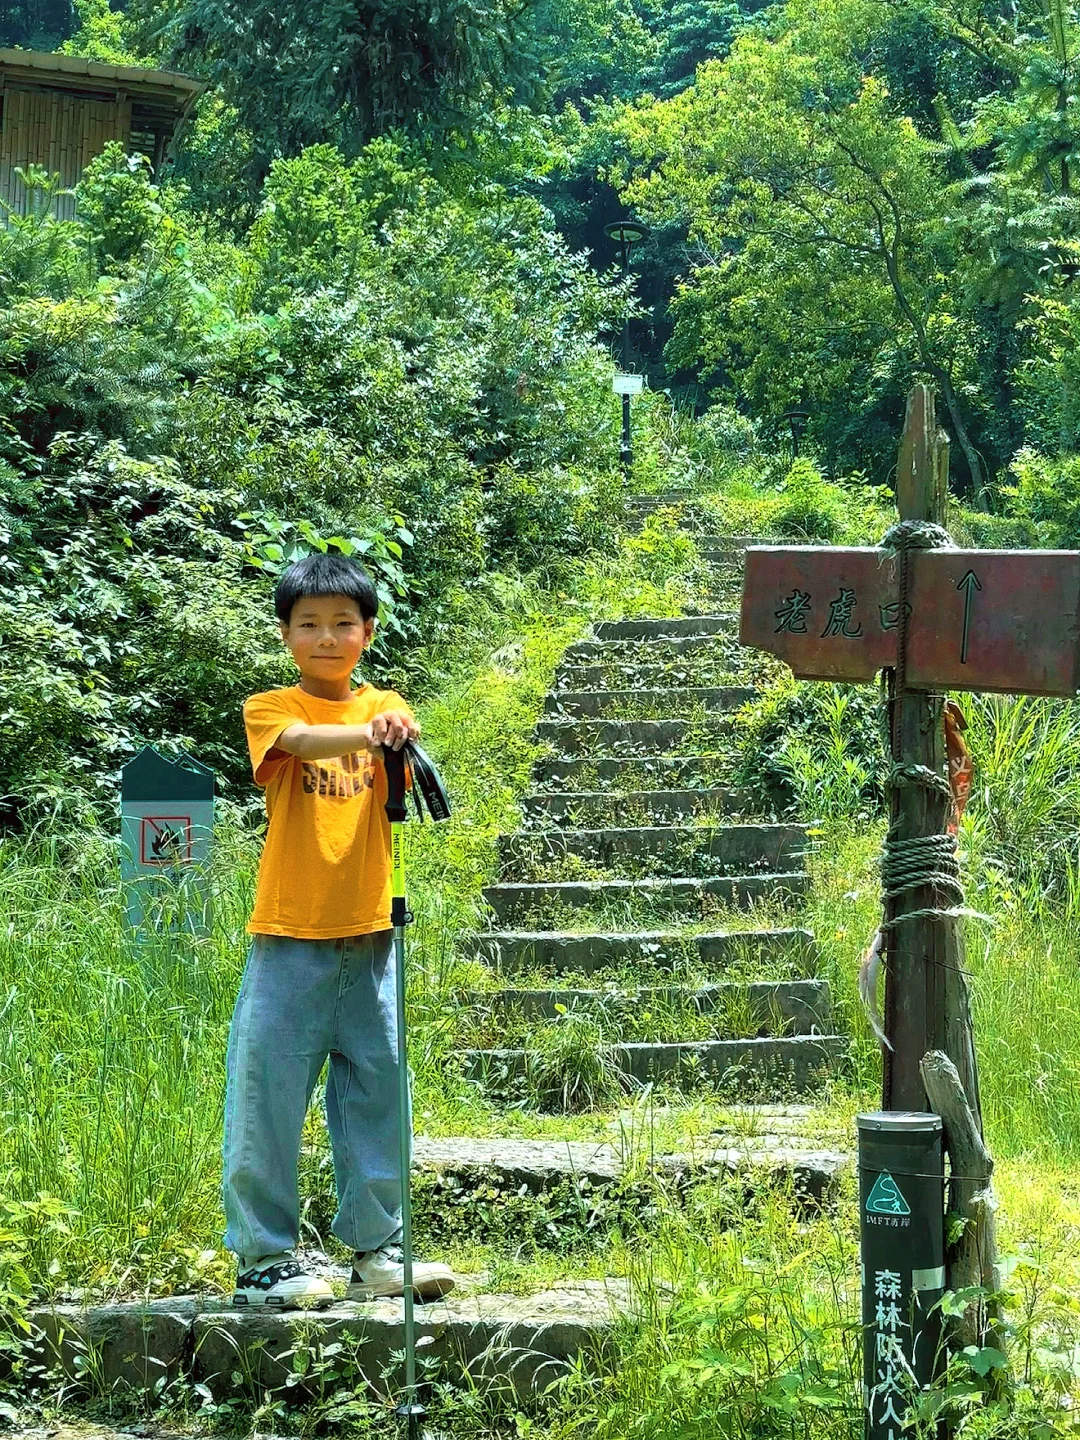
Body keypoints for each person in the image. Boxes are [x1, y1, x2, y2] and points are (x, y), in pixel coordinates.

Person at [223, 552, 455, 1308]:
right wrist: (368, 732)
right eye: (310, 624)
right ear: (287, 634)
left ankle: (378, 1252)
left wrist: (390, 725)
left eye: (342, 623)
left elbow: (393, 728)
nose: (327, 637)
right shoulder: (271, 708)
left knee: (378, 1094)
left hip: (373, 930)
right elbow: (301, 745)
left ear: (368, 631)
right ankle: (264, 1260)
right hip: (291, 933)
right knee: (269, 1094)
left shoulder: (385, 703)